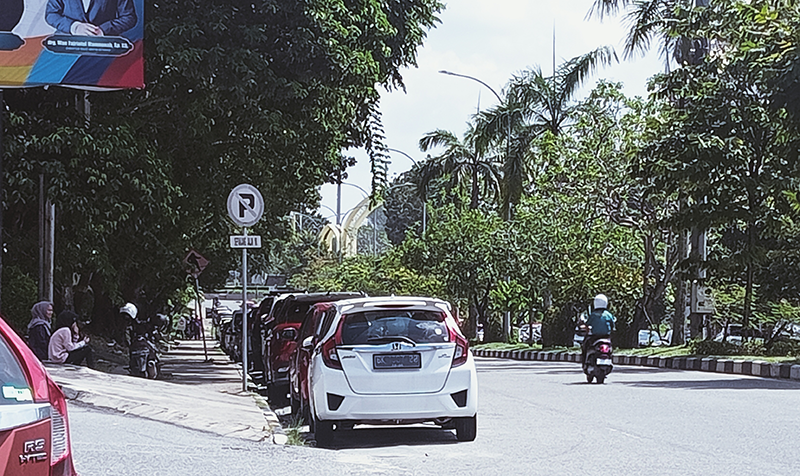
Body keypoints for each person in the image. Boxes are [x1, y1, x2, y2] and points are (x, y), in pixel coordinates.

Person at [45, 0, 137, 37]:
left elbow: (129, 17)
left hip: (104, 52)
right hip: (67, 51)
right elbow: (51, 14)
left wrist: (103, 30)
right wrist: (74, 27)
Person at [580, 294, 616, 365]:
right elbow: (613, 326)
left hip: (595, 337)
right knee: (610, 348)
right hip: (606, 337)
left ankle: (584, 362)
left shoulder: (593, 315)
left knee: (585, 346)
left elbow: (587, 324)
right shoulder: (609, 314)